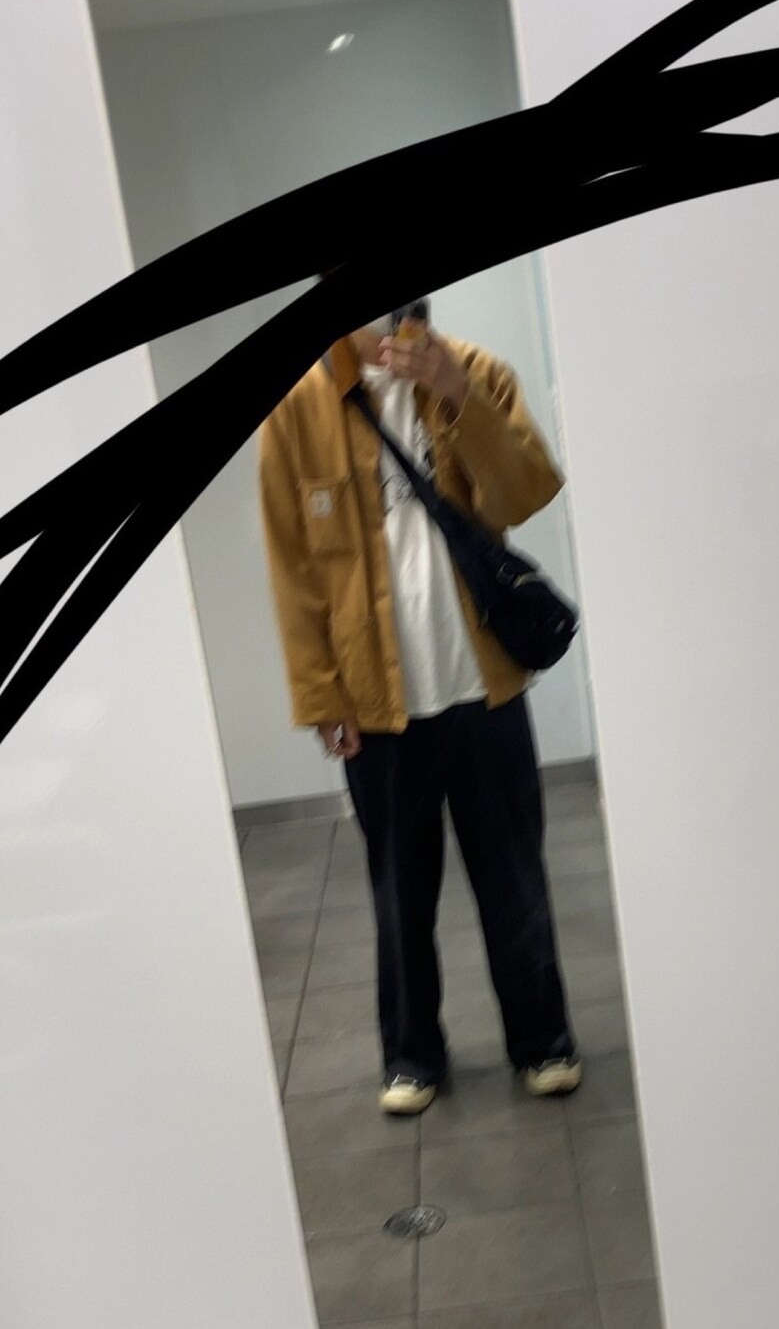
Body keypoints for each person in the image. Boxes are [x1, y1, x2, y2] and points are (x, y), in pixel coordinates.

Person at [258, 290, 582, 1114]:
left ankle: (543, 1041)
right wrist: (321, 695)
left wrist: (457, 395)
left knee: (514, 880)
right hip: (377, 708)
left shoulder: (476, 373)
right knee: (399, 894)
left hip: (485, 689)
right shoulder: (297, 411)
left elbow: (525, 494)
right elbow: (294, 570)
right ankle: (411, 1055)